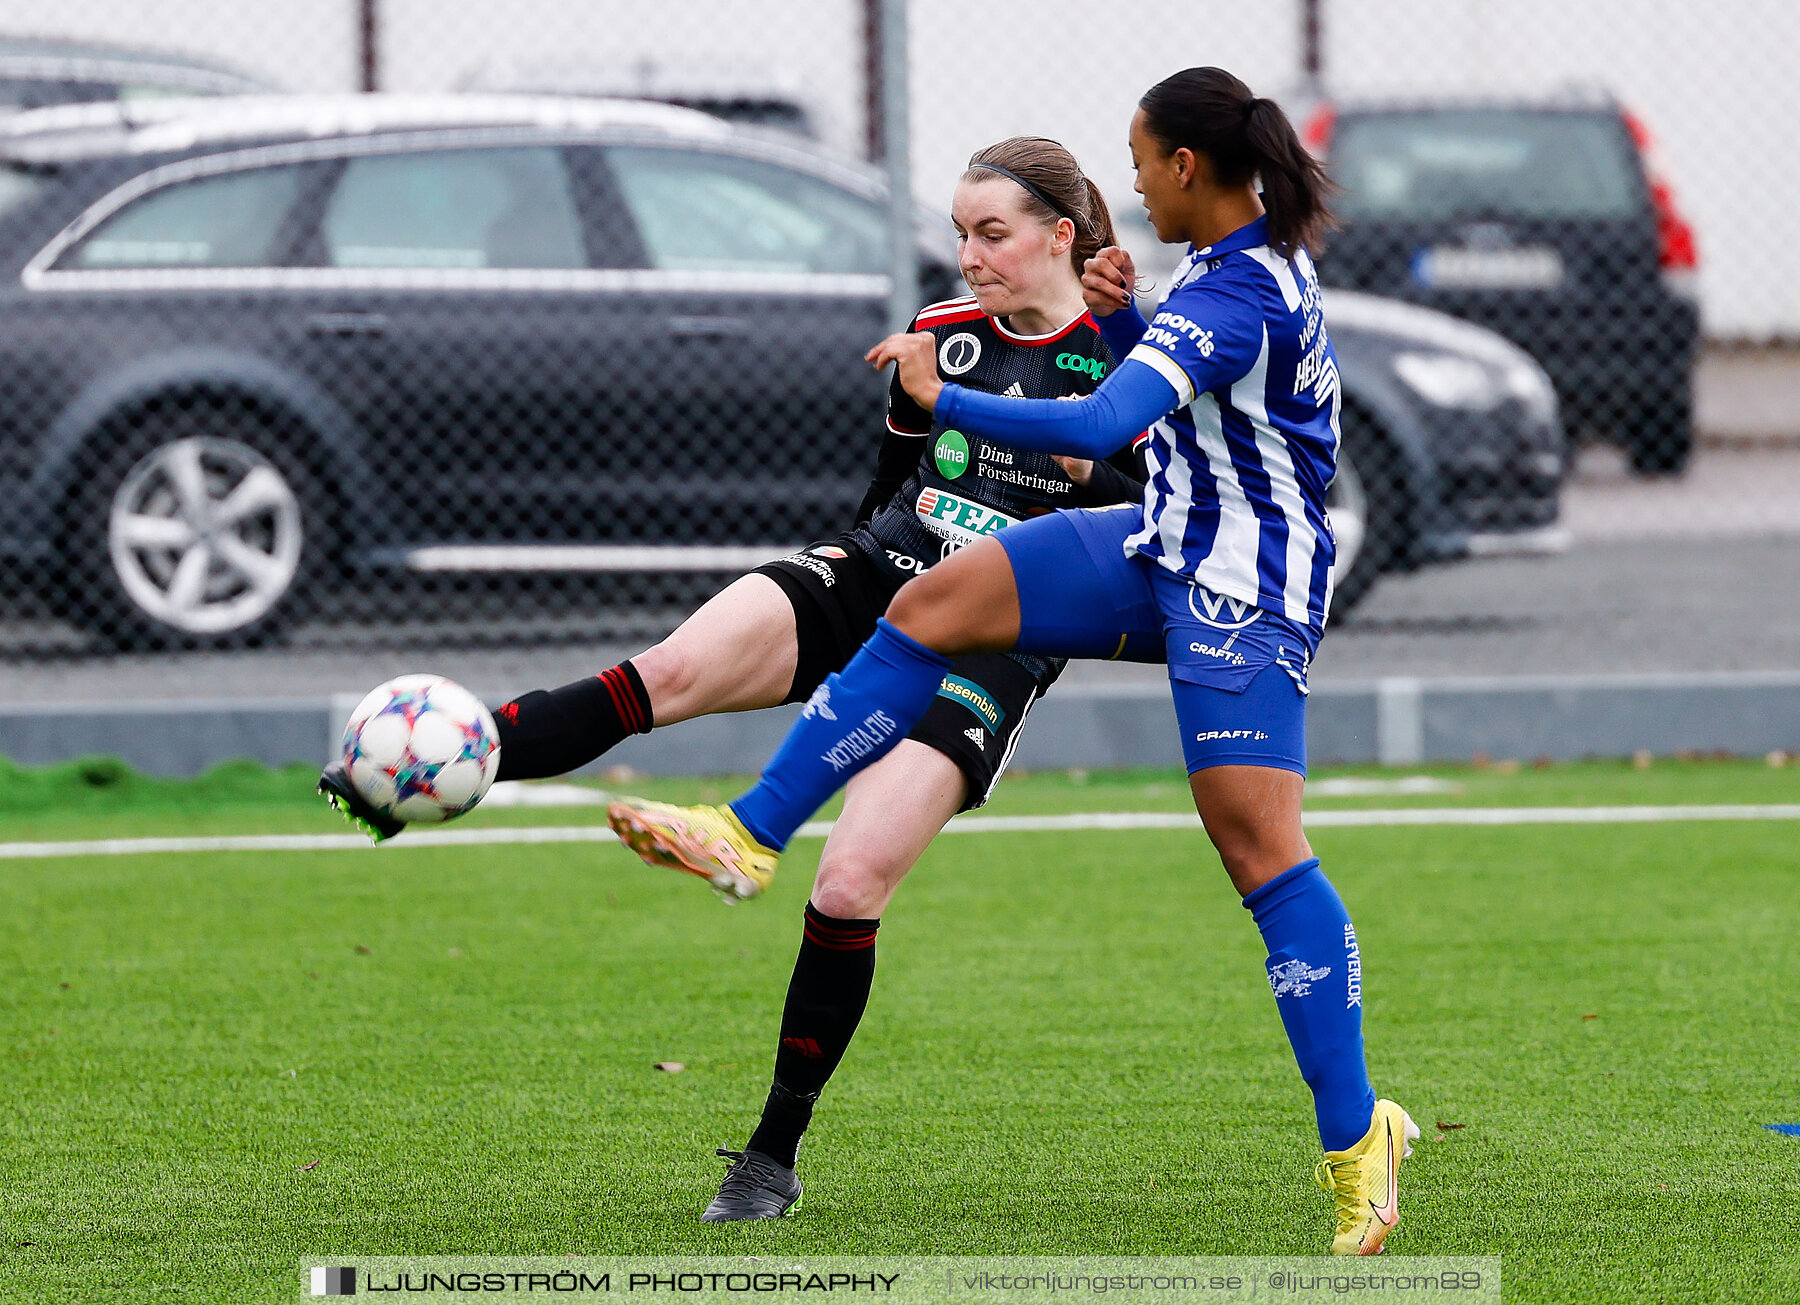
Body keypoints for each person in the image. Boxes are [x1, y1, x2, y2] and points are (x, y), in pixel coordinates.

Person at [606, 69, 1419, 1255]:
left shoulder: (1238, 288)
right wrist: (1133, 321)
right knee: (938, 600)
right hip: (1163, 541)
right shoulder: (1227, 267)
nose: (1127, 185)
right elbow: (1188, 413)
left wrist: (946, 398)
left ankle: (1360, 1143)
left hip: (1245, 587)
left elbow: (1099, 429)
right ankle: (750, 831)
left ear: (1187, 168)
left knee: (1259, 850)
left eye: (1140, 163)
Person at [322, 138, 1148, 1215]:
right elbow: (889, 486)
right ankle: (443, 764)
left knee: (849, 883)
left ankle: (771, 1155)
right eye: (959, 232)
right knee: (665, 670)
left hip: (997, 637)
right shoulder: (941, 337)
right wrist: (860, 568)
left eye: (991, 233)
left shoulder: (1129, 358)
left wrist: (1099, 471)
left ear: (1061, 236)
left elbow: (1146, 515)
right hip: (882, 579)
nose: (968, 255)